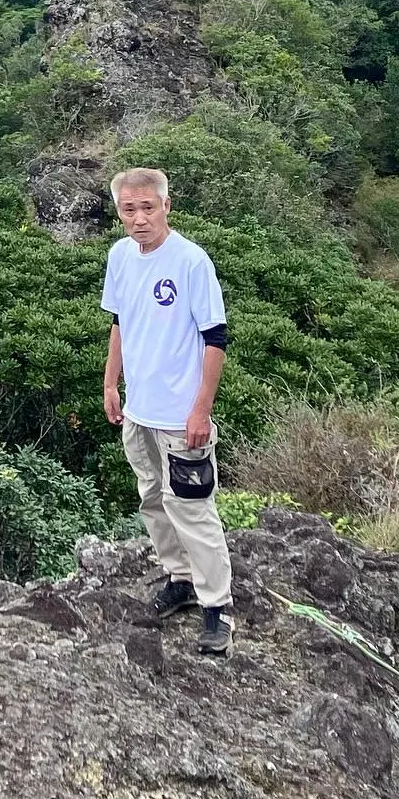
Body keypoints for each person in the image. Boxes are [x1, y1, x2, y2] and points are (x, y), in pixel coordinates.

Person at [101, 166, 234, 656]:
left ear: (166, 206)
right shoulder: (120, 256)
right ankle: (179, 579)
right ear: (119, 212)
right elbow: (119, 321)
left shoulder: (191, 262)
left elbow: (215, 339)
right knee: (153, 500)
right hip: (140, 412)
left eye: (147, 208)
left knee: (193, 509)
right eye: (129, 210)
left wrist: (201, 411)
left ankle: (217, 607)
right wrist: (111, 382)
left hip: (181, 418)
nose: (139, 219)